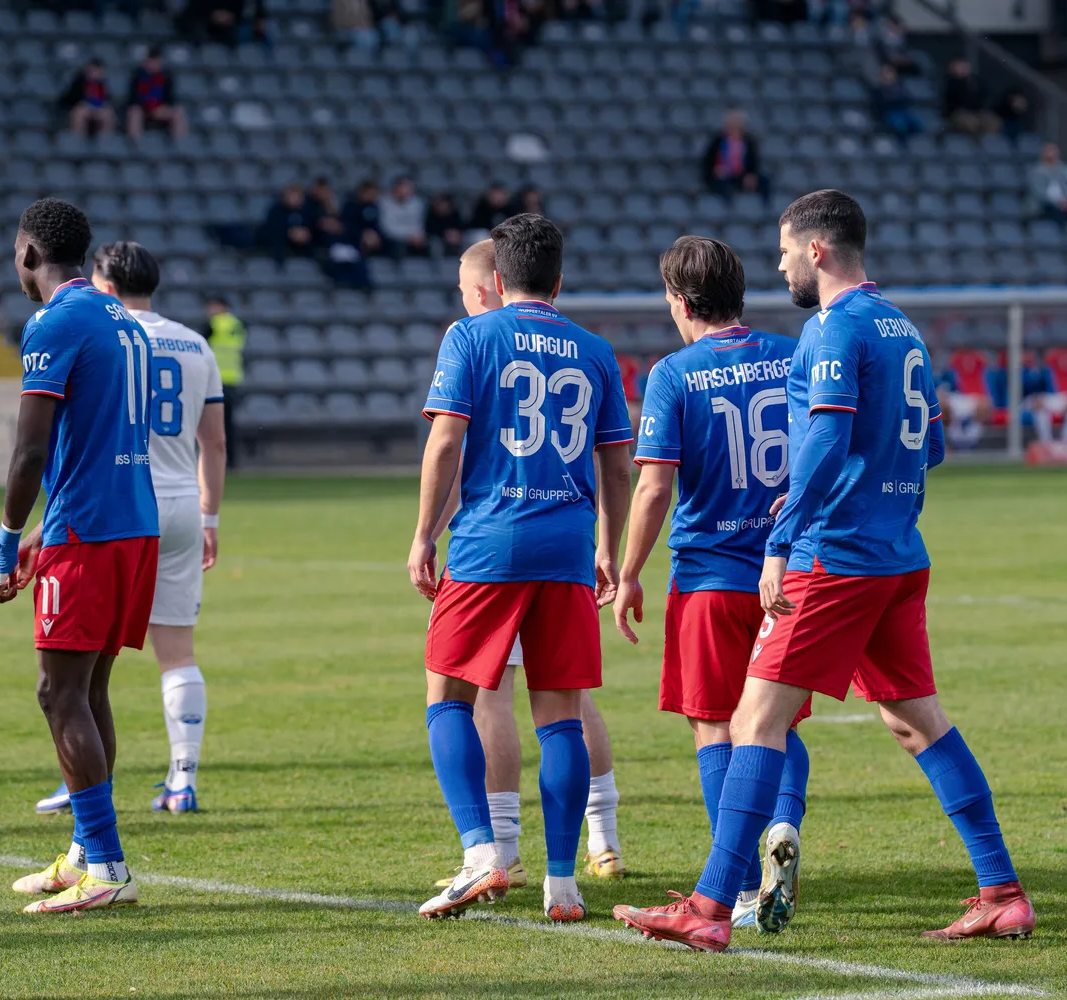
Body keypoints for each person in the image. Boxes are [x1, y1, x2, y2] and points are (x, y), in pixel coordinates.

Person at [614, 190, 1034, 951]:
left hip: (834, 559)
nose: (778, 265)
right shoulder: (902, 326)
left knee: (751, 722)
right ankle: (1001, 891)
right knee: (915, 721)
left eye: (783, 251)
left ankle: (709, 911)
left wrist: (782, 541)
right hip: (897, 554)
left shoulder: (832, 328)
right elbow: (930, 448)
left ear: (815, 251)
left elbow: (826, 440)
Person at [409, 214, 633, 923]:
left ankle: (483, 853)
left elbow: (446, 441)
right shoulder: (595, 349)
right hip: (567, 544)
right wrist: (611, 547)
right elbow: (618, 466)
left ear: (496, 280)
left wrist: (421, 535)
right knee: (559, 715)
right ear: (559, 281)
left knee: (447, 696)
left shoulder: (471, 336)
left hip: (488, 542)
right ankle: (563, 885)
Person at [611, 235, 810, 934]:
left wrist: (629, 571)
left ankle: (740, 878)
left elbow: (655, 486)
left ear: (679, 300)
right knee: (775, 720)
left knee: (713, 725)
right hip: (788, 572)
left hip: (708, 576)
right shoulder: (793, 356)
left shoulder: (675, 373)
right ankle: (782, 824)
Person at [0, 198, 159, 914]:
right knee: (88, 691)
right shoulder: (126, 320)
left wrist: (5, 541)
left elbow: (30, 449)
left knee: (58, 693)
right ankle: (88, 853)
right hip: (132, 525)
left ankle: (107, 867)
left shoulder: (53, 323)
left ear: (30, 254)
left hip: (89, 534)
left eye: (15, 253)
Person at [36, 243, 226, 817]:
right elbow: (213, 441)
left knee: (82, 672)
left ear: (106, 283)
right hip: (181, 504)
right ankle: (182, 777)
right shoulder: (194, 343)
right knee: (178, 652)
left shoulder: (104, 332)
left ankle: (84, 786)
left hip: (117, 506)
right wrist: (209, 514)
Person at [204, 295, 245, 471]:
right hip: (233, 378)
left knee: (211, 424)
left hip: (215, 380)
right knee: (228, 424)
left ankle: (212, 461)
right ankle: (231, 462)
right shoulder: (236, 324)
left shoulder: (212, 325)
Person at [701, 109, 770, 204]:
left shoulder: (748, 141)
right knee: (723, 187)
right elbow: (708, 161)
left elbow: (753, 161)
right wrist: (715, 170)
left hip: (741, 175)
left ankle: (765, 207)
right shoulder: (718, 141)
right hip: (723, 175)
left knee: (764, 181)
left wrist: (751, 174)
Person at [1023, 352, 1067, 444]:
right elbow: (1025, 392)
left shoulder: (1048, 371)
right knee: (1040, 410)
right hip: (1027, 402)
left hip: (1050, 401)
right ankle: (1046, 444)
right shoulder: (1024, 370)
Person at [126, 46, 189, 141]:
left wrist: (161, 107)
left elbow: (170, 98)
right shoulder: (137, 76)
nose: (155, 65)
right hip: (143, 108)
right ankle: (136, 143)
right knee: (134, 112)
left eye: (158, 62)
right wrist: (149, 107)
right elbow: (133, 98)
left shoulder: (166, 77)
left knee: (178, 112)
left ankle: (179, 143)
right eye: (152, 62)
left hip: (160, 108)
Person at [942, 57, 1000, 138]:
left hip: (976, 112)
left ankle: (987, 145)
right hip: (956, 113)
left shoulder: (975, 81)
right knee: (970, 122)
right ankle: (973, 144)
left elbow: (983, 96)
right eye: (959, 66)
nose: (962, 69)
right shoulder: (949, 81)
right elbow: (956, 99)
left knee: (993, 121)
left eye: (964, 66)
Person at [260, 183, 316, 262]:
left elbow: (313, 226)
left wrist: (306, 233)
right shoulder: (275, 210)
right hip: (281, 243)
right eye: (291, 196)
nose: (294, 199)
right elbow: (271, 229)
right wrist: (290, 233)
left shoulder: (307, 211)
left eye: (297, 196)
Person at [59, 59, 116, 137]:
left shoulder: (102, 85)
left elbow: (106, 100)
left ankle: (105, 142)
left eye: (99, 72)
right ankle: (77, 139)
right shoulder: (79, 82)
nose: (96, 74)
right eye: (94, 71)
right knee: (79, 113)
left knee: (108, 114)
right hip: (82, 109)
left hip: (97, 109)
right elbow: (68, 99)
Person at [1027, 141, 1067, 223]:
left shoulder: (1063, 169)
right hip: (1044, 204)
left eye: (1054, 151)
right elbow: (1039, 193)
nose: (1052, 153)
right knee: (1057, 213)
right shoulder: (1036, 171)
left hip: (1064, 203)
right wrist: (1057, 202)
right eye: (1049, 151)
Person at [872, 65, 924, 142]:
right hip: (889, 113)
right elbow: (878, 106)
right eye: (886, 74)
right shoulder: (878, 90)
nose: (889, 76)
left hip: (903, 112)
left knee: (917, 125)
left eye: (891, 73)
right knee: (900, 126)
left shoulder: (900, 87)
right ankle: (902, 146)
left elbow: (907, 99)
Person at [379, 176, 427, 258]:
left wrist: (416, 235)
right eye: (403, 187)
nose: (406, 191)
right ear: (395, 188)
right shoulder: (383, 203)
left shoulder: (417, 203)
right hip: (392, 238)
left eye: (408, 187)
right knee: (398, 247)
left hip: (414, 238)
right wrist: (408, 236)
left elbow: (418, 224)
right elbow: (386, 228)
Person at [341, 180, 383, 256]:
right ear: (361, 192)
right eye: (369, 193)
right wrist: (362, 234)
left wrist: (374, 234)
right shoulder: (350, 206)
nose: (372, 195)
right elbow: (346, 226)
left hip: (372, 238)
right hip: (353, 238)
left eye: (374, 193)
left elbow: (377, 225)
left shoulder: (374, 207)